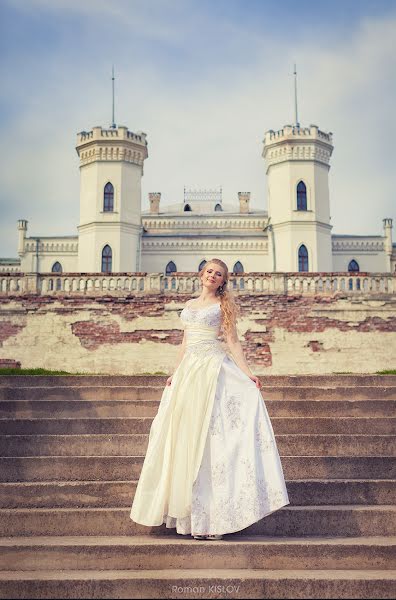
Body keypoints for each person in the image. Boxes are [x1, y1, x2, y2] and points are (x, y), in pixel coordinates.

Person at [130, 258, 290, 540]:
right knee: (183, 439)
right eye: (209, 272)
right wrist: (174, 373)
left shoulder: (222, 306)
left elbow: (233, 341)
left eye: (218, 274)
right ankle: (190, 517)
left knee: (210, 441)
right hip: (189, 373)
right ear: (201, 275)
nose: (213, 276)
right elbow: (184, 343)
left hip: (212, 369)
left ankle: (213, 518)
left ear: (222, 280)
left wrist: (248, 374)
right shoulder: (190, 306)